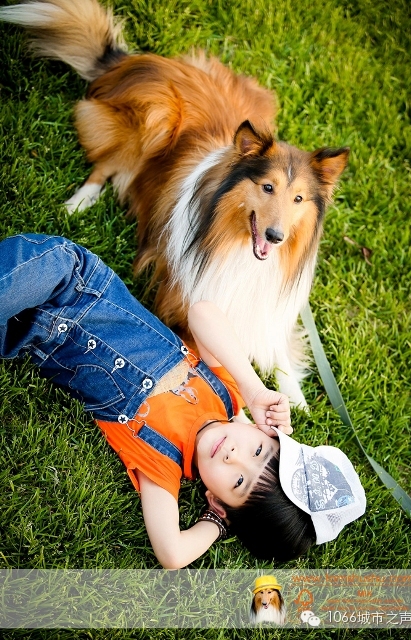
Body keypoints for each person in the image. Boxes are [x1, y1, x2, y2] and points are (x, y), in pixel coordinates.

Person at [0, 234, 366, 568]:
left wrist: (215, 523)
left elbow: (172, 554)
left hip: (27, 330)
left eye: (239, 481)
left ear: (217, 500)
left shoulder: (163, 464)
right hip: (71, 279)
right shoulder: (225, 395)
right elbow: (203, 312)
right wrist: (253, 390)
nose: (232, 455)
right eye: (258, 451)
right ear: (266, 433)